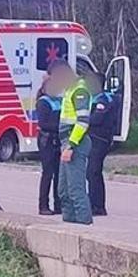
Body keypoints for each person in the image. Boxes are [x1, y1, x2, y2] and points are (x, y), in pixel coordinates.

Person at [50, 61, 93, 225]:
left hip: (75, 143)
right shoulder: (70, 90)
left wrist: (71, 145)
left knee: (75, 189)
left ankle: (83, 225)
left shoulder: (79, 90)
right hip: (67, 143)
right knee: (64, 190)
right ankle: (69, 224)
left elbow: (83, 122)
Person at [86, 73, 119, 217]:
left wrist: (82, 119)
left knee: (93, 171)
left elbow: (97, 119)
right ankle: (94, 203)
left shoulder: (103, 99)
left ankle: (98, 206)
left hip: (100, 139)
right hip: (93, 138)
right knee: (92, 172)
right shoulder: (93, 99)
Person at [35, 76, 62, 216]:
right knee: (48, 173)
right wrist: (60, 127)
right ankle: (43, 205)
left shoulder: (59, 101)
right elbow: (43, 124)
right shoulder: (43, 103)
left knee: (59, 173)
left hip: (58, 141)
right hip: (47, 140)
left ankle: (59, 204)